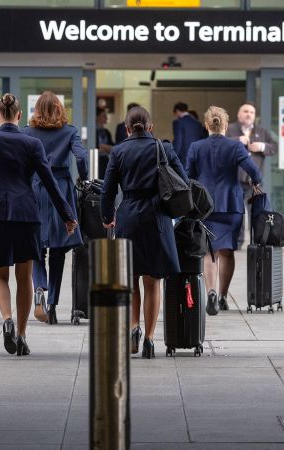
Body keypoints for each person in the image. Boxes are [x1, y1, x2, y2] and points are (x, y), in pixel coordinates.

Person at [0, 93, 77, 357]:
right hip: (26, 213)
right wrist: (67, 215)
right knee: (25, 276)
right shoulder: (32, 143)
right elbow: (50, 182)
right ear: (20, 116)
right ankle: (21, 335)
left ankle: (7, 319)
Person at [100, 106, 189, 359]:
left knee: (131, 279)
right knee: (153, 280)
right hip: (158, 218)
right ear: (150, 127)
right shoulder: (164, 148)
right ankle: (150, 339)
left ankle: (133, 328)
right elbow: (182, 181)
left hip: (128, 218)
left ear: (127, 129)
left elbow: (107, 191)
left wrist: (107, 217)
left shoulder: (118, 152)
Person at [186, 106, 262, 316]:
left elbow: (188, 177)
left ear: (206, 125)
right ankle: (222, 296)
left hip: (205, 207)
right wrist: (255, 182)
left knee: (210, 252)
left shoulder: (196, 147)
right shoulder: (236, 147)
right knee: (227, 251)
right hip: (232, 205)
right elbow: (255, 172)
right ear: (226, 125)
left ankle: (210, 292)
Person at [23, 91, 88, 325]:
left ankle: (39, 287)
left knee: (36, 248)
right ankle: (51, 305)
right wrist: (84, 177)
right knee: (59, 251)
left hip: (35, 188)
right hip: (61, 189)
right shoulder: (69, 131)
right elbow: (81, 157)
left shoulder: (27, 132)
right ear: (60, 109)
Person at [226, 102, 277, 249]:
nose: (249, 114)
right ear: (239, 114)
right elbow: (220, 143)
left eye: (252, 112)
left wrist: (262, 146)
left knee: (257, 213)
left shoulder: (261, 131)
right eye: (245, 111)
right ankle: (237, 242)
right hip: (234, 179)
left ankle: (256, 242)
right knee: (237, 213)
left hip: (254, 182)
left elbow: (274, 147)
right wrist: (237, 140)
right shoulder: (230, 129)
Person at [172, 102, 207, 166]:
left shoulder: (178, 122)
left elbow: (178, 141)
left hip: (184, 157)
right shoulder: (197, 123)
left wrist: (173, 156)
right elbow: (202, 139)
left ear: (177, 111)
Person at [96, 107, 114, 174]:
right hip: (95, 160)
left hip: (105, 161)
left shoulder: (107, 132)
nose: (106, 118)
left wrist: (102, 146)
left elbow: (113, 148)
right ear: (97, 117)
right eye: (104, 116)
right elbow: (92, 148)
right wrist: (106, 148)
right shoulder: (92, 131)